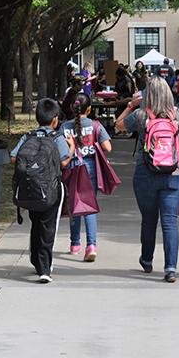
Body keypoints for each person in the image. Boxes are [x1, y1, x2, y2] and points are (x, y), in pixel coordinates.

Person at [116, 77, 179, 283]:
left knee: (148, 220)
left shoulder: (140, 116)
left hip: (145, 173)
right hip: (173, 175)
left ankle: (147, 260)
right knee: (170, 222)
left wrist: (131, 104)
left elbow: (118, 126)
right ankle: (170, 269)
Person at [9, 98, 74, 283]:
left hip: (31, 188)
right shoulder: (56, 137)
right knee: (48, 227)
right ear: (55, 119)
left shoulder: (27, 136)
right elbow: (63, 162)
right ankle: (45, 269)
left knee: (36, 224)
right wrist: (72, 148)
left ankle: (36, 260)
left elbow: (14, 158)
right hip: (51, 190)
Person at [58, 93, 112, 263]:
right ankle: (92, 245)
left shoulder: (64, 127)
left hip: (71, 168)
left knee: (74, 205)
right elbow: (108, 147)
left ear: (72, 108)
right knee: (89, 206)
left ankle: (75, 244)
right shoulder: (96, 125)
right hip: (90, 169)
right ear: (89, 109)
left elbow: (60, 149)